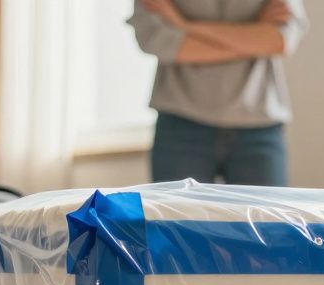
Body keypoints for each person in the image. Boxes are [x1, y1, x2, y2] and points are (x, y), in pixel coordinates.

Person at [128, 0, 307, 186]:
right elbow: (155, 38)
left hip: (259, 124)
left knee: (265, 214)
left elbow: (280, 39)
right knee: (176, 214)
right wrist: (253, 39)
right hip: (180, 122)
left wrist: (184, 26)